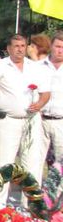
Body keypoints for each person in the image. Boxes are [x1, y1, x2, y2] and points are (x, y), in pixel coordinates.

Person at [0, 35, 50, 208]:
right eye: (16, 46)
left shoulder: (35, 68)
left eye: (22, 45)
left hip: (31, 120)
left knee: (32, 164)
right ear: (9, 48)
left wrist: (40, 104)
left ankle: (30, 207)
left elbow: (46, 92)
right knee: (2, 164)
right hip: (7, 120)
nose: (19, 49)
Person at [41, 33, 63, 164]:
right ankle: (36, 185)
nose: (60, 50)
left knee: (60, 161)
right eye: (58, 46)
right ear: (51, 46)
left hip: (61, 120)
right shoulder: (38, 66)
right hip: (41, 120)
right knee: (36, 159)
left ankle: (59, 185)